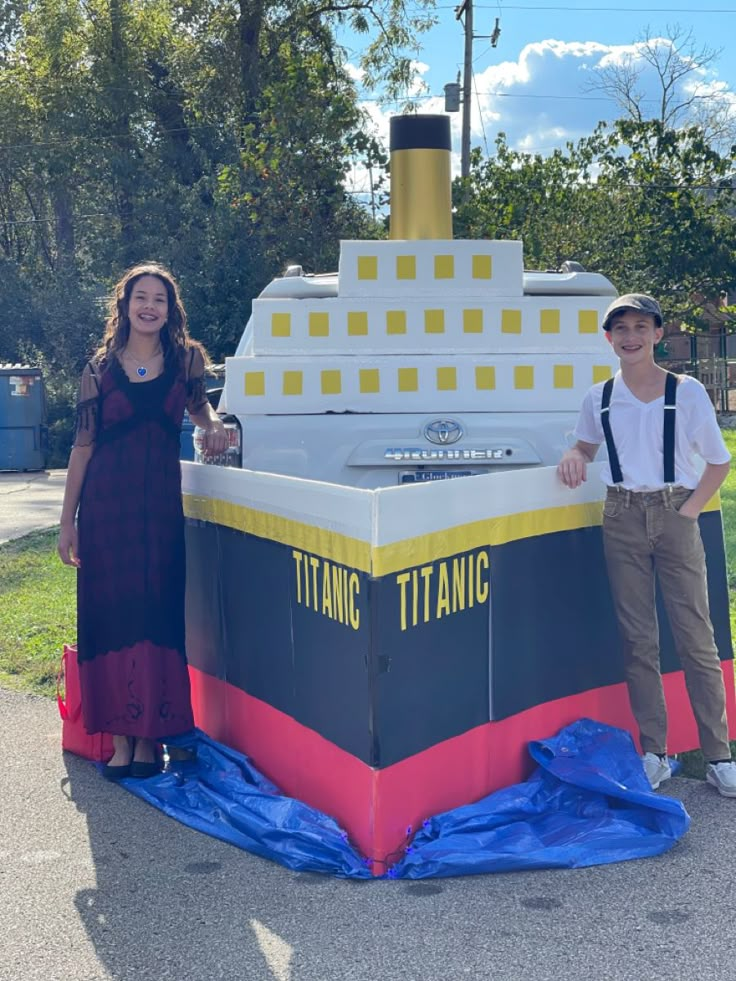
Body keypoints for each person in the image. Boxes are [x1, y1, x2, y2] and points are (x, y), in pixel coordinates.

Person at [557, 293, 736, 797]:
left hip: (675, 509)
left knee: (695, 637)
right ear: (608, 338)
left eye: (641, 327)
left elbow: (718, 462)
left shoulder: (687, 390)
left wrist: (688, 512)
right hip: (621, 515)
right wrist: (573, 452)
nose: (630, 337)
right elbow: (587, 444)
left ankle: (719, 755)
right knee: (639, 640)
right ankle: (655, 752)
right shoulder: (600, 397)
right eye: (621, 329)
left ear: (658, 333)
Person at [58, 262, 228, 780]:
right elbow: (83, 448)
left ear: (169, 310)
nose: (150, 306)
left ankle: (152, 737)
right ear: (125, 305)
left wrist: (217, 424)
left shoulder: (187, 360)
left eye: (160, 299)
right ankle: (121, 738)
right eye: (141, 297)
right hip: (107, 511)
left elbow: (200, 412)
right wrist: (68, 522)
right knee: (112, 616)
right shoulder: (99, 368)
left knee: (156, 615)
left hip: (158, 513)